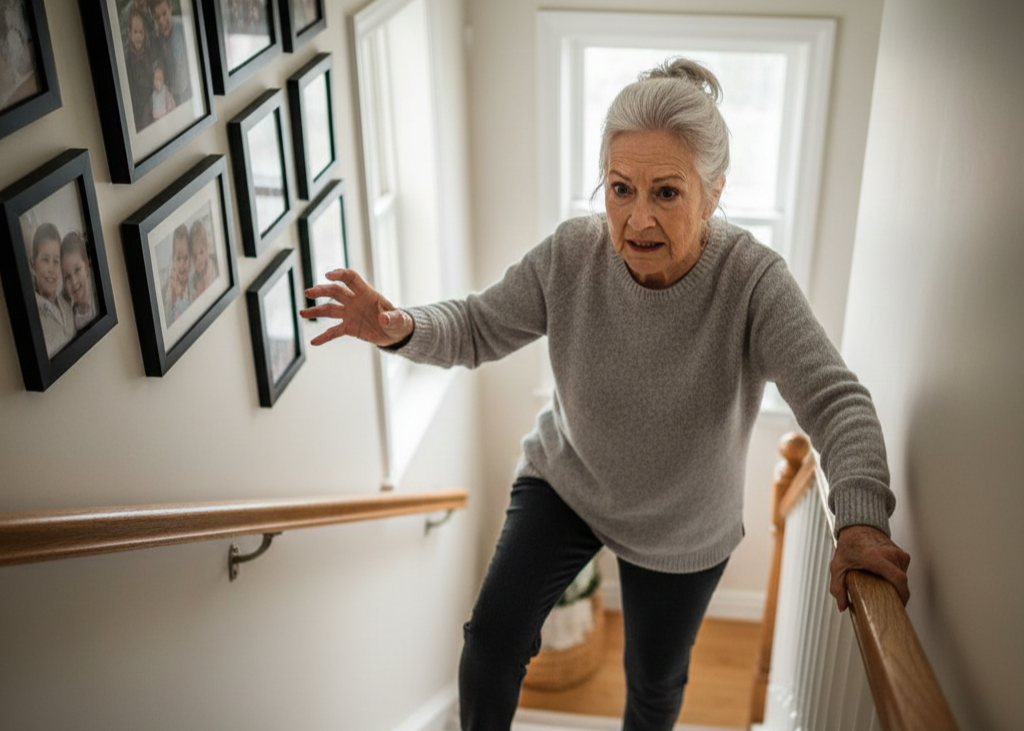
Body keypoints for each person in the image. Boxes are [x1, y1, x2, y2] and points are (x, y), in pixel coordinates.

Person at [300, 58, 911, 731]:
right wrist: (403, 327)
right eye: (621, 189)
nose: (638, 218)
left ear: (713, 194)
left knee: (654, 686)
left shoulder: (753, 283)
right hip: (568, 482)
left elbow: (836, 401)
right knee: (490, 645)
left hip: (684, 524)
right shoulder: (572, 254)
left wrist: (859, 523)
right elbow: (477, 325)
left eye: (667, 193)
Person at [29, 222, 75, 356]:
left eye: (56, 261)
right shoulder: (33, 318)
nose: (52, 269)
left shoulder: (67, 307)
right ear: (33, 264)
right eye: (45, 260)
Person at [150, 0, 190, 105]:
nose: (162, 21)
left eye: (164, 14)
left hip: (190, 93)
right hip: (172, 97)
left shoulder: (184, 27)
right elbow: (158, 61)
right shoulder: (156, 38)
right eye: (157, 17)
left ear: (170, 8)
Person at [60, 231, 98, 331]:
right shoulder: (69, 321)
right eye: (67, 277)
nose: (74, 281)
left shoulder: (100, 301)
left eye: (77, 270)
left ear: (87, 266)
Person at [163, 224, 191, 325]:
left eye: (186, 258)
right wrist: (173, 298)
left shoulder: (192, 281)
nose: (182, 264)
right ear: (173, 260)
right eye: (178, 259)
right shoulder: (170, 286)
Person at [187, 218, 216, 298]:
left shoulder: (215, 264)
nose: (198, 259)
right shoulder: (193, 281)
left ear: (207, 249)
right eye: (194, 255)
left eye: (201, 252)